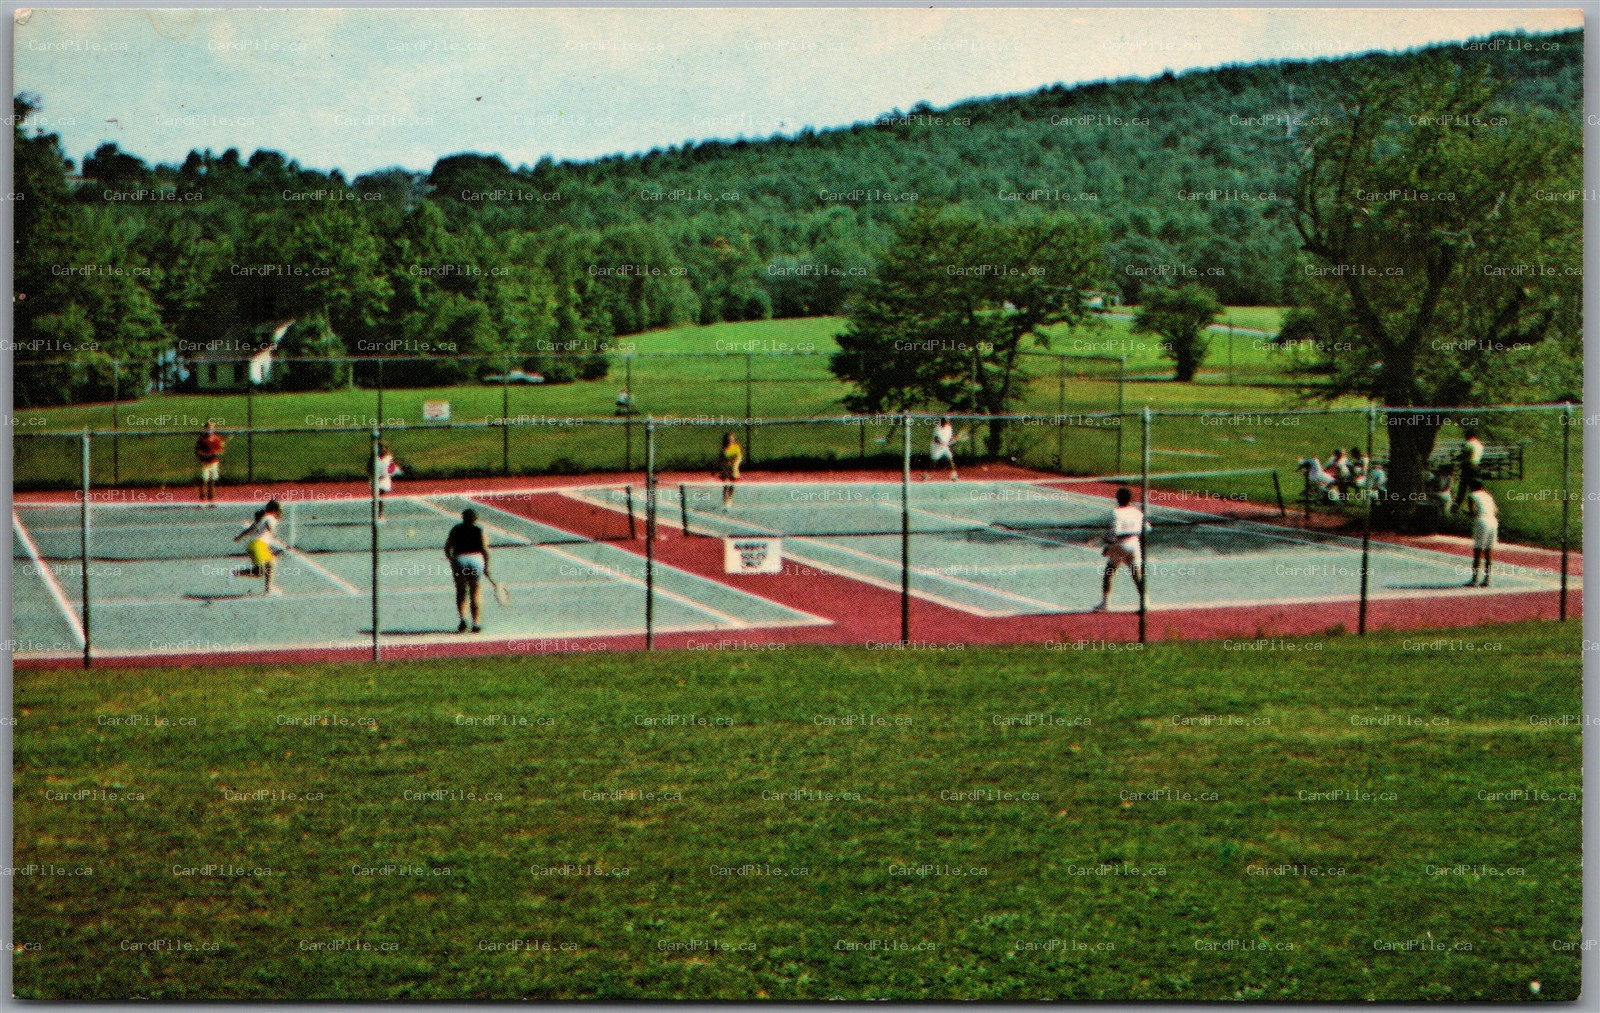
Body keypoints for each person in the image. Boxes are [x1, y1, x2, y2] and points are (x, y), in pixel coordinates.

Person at [1094, 487, 1148, 612]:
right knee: (1137, 574)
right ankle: (1144, 602)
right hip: (1134, 544)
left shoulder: (1116, 512)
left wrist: (1107, 547)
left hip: (1120, 545)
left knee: (1109, 572)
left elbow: (1114, 533)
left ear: (1118, 499)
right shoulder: (1137, 512)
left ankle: (1105, 603)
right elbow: (1146, 528)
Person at [445, 508, 490, 633]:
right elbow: (485, 550)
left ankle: (463, 620)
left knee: (461, 591)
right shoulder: (480, 530)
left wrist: (452, 561)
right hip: (476, 560)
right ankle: (476, 623)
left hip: (460, 560)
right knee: (475, 592)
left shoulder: (456, 529)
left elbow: (447, 548)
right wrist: (486, 567)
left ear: (463, 517)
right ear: (475, 518)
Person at [232, 499, 285, 595]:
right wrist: (278, 539)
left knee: (271, 564)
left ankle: (268, 590)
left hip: (256, 545)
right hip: (258, 545)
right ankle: (235, 573)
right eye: (279, 510)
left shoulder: (263, 518)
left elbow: (250, 529)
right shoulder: (270, 518)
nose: (280, 512)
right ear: (275, 510)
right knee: (260, 572)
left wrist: (239, 537)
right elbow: (270, 527)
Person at [1463, 480, 1498, 587]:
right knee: (1488, 551)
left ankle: (1474, 579)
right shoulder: (1488, 496)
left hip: (1481, 522)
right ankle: (1487, 579)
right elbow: (1495, 510)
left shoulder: (1472, 495)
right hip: (1493, 521)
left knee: (1478, 551)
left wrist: (1466, 512)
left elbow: (1473, 512)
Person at [194, 421, 227, 506]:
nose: (210, 429)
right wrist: (205, 455)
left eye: (212, 428)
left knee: (212, 481)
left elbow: (220, 451)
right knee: (204, 481)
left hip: (214, 463)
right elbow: (197, 451)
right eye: (208, 427)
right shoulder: (202, 439)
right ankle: (202, 501)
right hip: (205, 463)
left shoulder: (216, 438)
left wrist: (216, 453)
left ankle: (211, 500)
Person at [1457, 429, 1485, 508]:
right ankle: (1474, 506)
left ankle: (1457, 504)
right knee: (1474, 487)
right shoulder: (1479, 445)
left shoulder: (1468, 444)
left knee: (1462, 487)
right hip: (1476, 466)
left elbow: (1463, 455)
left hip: (1468, 466)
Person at [926, 417, 960, 481]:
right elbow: (936, 439)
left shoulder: (949, 428)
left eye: (947, 421)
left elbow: (950, 437)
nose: (946, 423)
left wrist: (952, 440)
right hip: (936, 447)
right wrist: (941, 443)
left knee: (950, 460)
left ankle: (954, 475)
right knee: (934, 462)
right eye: (945, 421)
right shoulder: (937, 428)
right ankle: (927, 475)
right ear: (942, 422)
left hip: (945, 447)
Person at [374, 443, 401, 520]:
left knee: (380, 494)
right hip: (376, 479)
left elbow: (392, 467)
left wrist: (390, 472)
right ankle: (378, 514)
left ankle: (380, 514)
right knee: (377, 496)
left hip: (384, 480)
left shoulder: (388, 458)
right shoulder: (374, 459)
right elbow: (370, 469)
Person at [719, 431, 743, 508]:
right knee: (725, 484)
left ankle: (730, 499)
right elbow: (721, 459)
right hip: (725, 468)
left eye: (732, 439)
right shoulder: (724, 449)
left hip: (733, 468)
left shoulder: (736, 447)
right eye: (729, 439)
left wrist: (735, 464)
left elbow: (739, 457)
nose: (731, 440)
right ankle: (725, 499)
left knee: (732, 484)